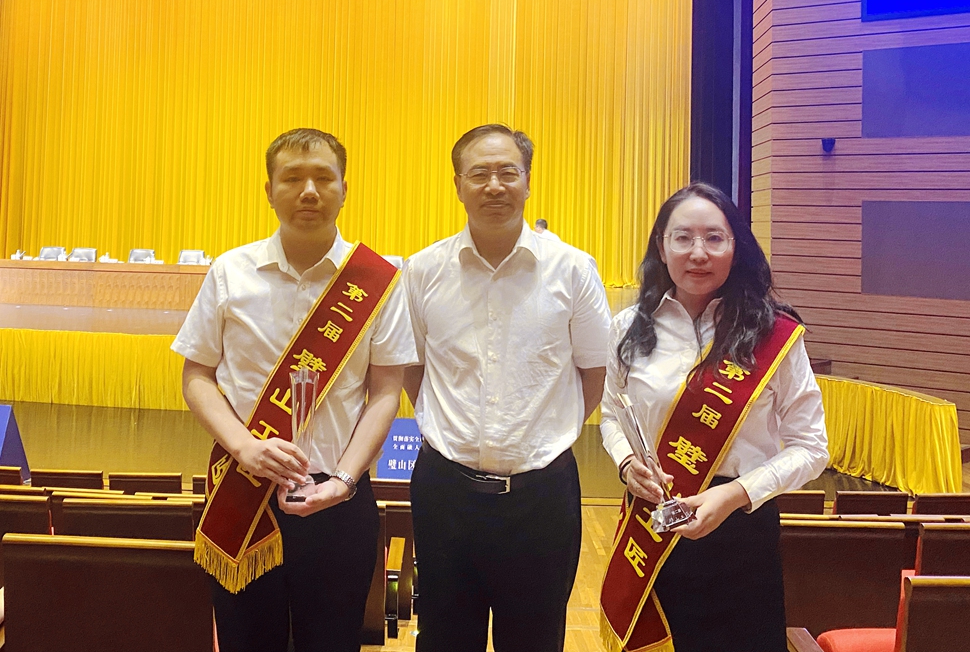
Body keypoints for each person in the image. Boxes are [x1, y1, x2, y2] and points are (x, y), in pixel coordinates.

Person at [172, 128, 417, 652]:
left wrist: (345, 480)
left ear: (344, 189)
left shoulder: (378, 280)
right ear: (269, 190)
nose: (309, 191)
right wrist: (245, 446)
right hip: (244, 491)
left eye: (323, 178)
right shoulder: (230, 272)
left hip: (339, 500)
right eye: (292, 178)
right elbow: (197, 376)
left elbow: (385, 392)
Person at [402, 124, 612, 652]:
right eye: (479, 173)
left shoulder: (573, 270)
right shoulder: (423, 270)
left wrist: (544, 435)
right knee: (444, 639)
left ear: (527, 181)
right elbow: (413, 368)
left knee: (536, 640)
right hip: (445, 493)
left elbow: (594, 372)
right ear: (457, 185)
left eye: (507, 172)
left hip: (542, 498)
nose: (494, 185)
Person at [599, 182, 828, 652]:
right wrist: (626, 464)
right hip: (655, 527)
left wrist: (732, 494)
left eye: (714, 238)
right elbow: (610, 415)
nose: (698, 253)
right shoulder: (628, 329)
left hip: (742, 532)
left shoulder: (774, 333)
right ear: (661, 245)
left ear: (735, 246)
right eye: (683, 238)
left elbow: (812, 448)